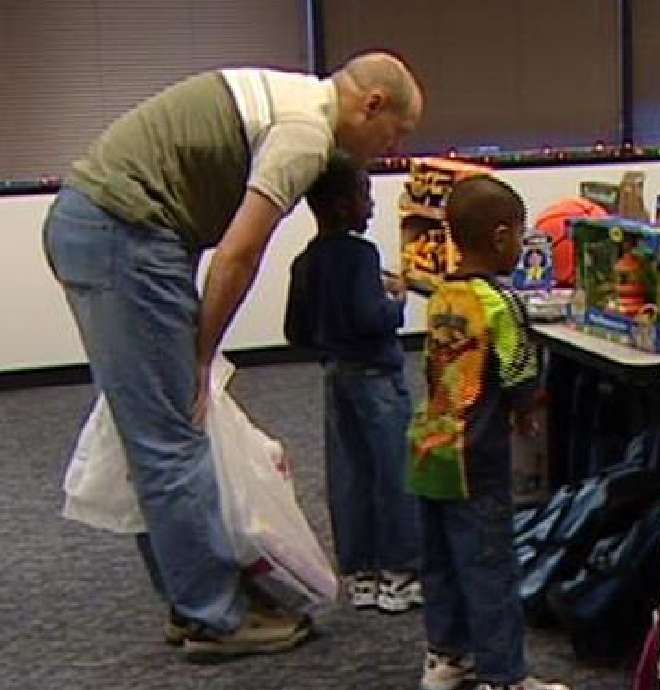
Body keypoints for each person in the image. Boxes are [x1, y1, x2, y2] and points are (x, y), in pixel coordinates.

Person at [41, 51, 423, 659]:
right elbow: (238, 255)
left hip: (110, 228)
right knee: (173, 434)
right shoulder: (306, 134)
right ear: (371, 104)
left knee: (156, 431)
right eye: (396, 134)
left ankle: (193, 596)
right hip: (123, 235)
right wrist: (201, 357)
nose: (388, 150)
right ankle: (212, 616)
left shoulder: (291, 99)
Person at [408, 176, 568, 690]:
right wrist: (528, 412)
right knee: (489, 565)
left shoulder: (441, 295)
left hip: (429, 448)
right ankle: (504, 676)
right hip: (478, 453)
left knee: (440, 562)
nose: (522, 247)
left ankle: (446, 657)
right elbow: (519, 370)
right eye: (521, 235)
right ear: (501, 237)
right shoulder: (502, 303)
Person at [284, 154, 422, 615]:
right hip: (377, 379)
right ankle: (399, 575)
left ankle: (361, 574)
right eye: (365, 196)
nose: (372, 206)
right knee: (394, 472)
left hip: (335, 377)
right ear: (343, 205)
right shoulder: (362, 255)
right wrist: (396, 302)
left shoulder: (305, 260)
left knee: (349, 475)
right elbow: (372, 318)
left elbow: (295, 331)